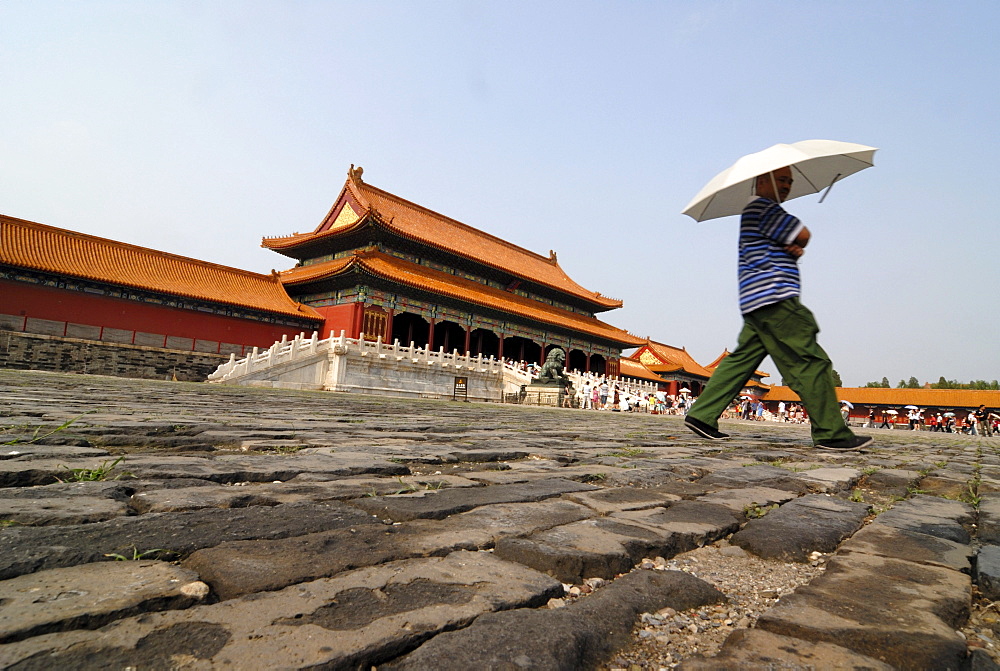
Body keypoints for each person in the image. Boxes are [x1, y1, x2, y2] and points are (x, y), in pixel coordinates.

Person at [684, 166, 873, 451]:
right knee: (810, 362)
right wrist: (798, 243)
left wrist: (792, 248)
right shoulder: (764, 209)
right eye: (782, 180)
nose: (787, 186)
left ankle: (702, 414)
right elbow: (803, 233)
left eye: (790, 181)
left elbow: (789, 242)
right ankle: (831, 432)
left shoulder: (753, 214)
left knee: (740, 362)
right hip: (776, 299)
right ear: (763, 181)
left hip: (755, 301)